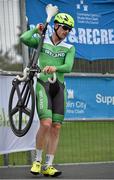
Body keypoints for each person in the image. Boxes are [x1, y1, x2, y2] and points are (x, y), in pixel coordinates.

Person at [20, 12, 75, 177]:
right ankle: (37, 161)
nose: (66, 31)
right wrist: (36, 30)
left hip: (59, 87)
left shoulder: (69, 47)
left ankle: (49, 165)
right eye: (65, 28)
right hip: (43, 84)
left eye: (69, 29)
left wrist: (55, 68)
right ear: (56, 26)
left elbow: (69, 66)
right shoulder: (41, 41)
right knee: (45, 124)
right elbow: (24, 38)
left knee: (56, 127)